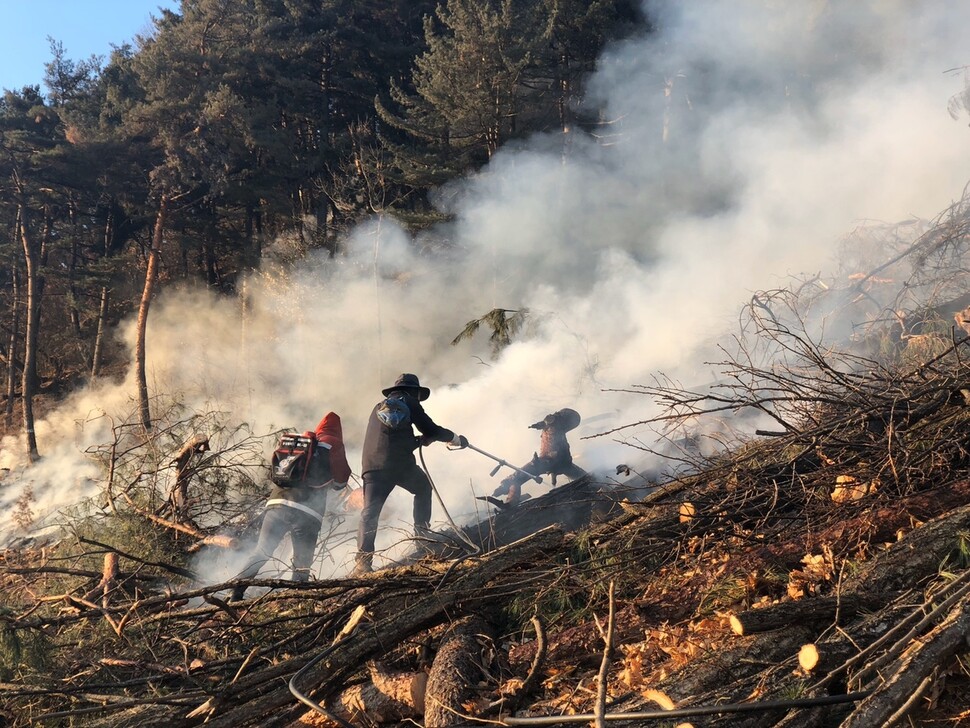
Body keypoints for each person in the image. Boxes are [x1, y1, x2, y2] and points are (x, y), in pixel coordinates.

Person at [230, 412, 352, 601]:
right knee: (302, 561)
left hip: (276, 504)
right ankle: (295, 600)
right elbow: (341, 481)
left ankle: (236, 590)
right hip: (306, 511)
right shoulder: (333, 443)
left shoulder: (302, 443)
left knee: (261, 551)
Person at [355, 373, 467, 574]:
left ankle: (363, 562)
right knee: (423, 488)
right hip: (399, 465)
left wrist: (417, 441)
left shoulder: (378, 406)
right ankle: (422, 540)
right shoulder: (408, 401)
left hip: (371, 467)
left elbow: (389, 440)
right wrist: (455, 438)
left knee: (370, 513)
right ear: (414, 391)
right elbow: (431, 428)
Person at [491, 408, 586, 506]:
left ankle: (510, 504)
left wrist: (505, 485)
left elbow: (571, 417)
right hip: (561, 462)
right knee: (585, 478)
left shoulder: (555, 423)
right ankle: (592, 481)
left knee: (516, 478)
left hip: (548, 462)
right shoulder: (553, 425)